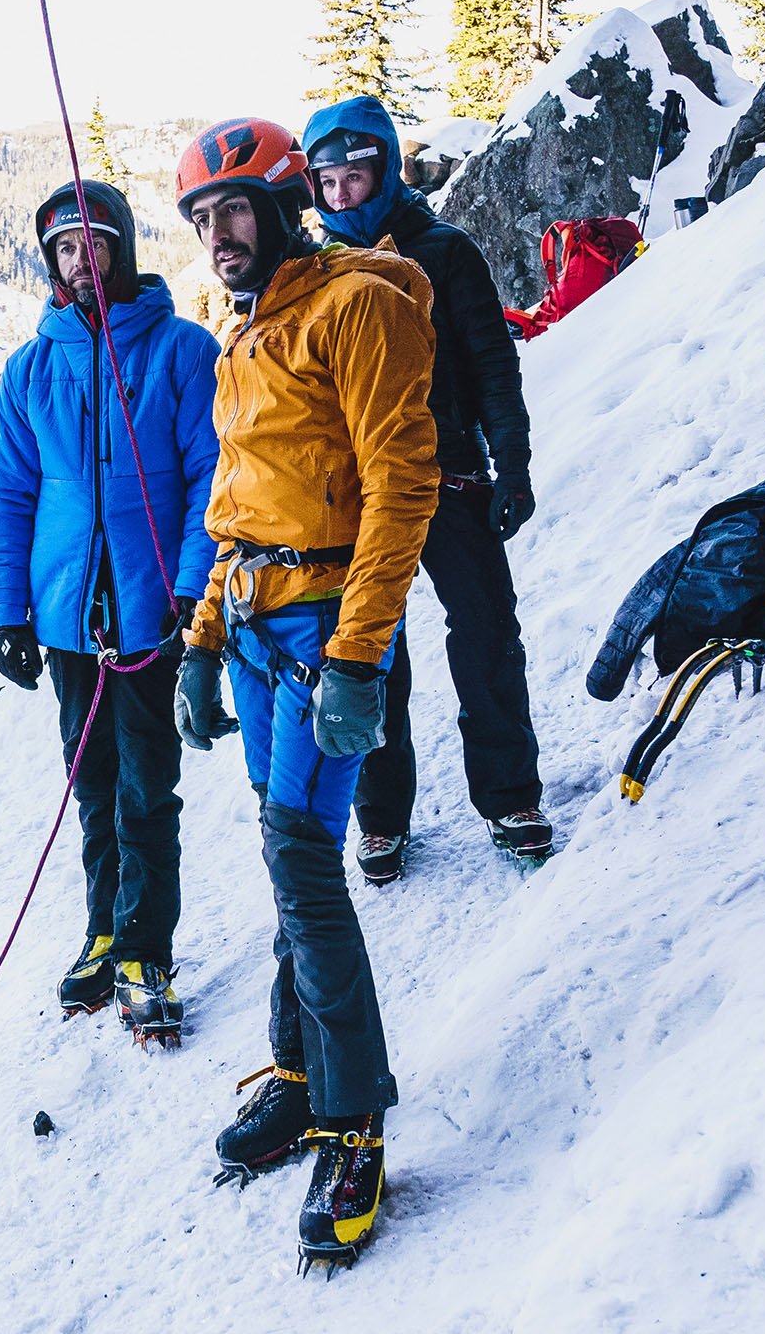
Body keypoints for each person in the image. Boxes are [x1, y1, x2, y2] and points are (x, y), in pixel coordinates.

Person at [169, 117, 438, 1271]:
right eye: (199, 218)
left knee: (301, 867)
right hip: (259, 633)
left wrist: (361, 657)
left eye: (233, 209)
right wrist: (201, 635)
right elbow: (241, 504)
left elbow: (400, 485)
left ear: (283, 206)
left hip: (327, 632)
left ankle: (354, 1120)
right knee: (289, 858)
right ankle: (297, 1074)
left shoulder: (356, 308)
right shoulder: (244, 333)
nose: (215, 234)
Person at [0, 178, 221, 1044]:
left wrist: (193, 584)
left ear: (121, 246)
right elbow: (9, 496)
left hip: (151, 609)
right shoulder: (31, 369)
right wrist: (11, 612)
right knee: (93, 784)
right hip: (68, 621)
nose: (82, 263)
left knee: (145, 784)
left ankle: (146, 949)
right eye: (65, 250)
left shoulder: (179, 352)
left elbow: (209, 479)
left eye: (95, 244)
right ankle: (104, 932)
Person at [301, 95, 553, 879]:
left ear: (385, 167)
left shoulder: (444, 251)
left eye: (356, 175)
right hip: (359, 492)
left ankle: (510, 794)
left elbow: (492, 366)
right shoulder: (314, 272)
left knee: (484, 635)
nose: (342, 194)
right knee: (372, 649)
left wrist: (513, 461)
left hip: (453, 475)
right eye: (328, 182)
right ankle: (380, 814)